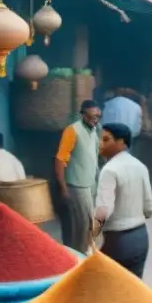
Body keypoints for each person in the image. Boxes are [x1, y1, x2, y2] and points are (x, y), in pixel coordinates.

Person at [92, 123, 152, 278]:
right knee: (134, 289)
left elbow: (103, 210)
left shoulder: (109, 170)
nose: (100, 144)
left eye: (106, 140)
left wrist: (92, 236)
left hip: (117, 241)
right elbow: (149, 207)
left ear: (121, 142)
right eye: (100, 139)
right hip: (140, 237)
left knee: (111, 290)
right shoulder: (140, 166)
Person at [54, 99, 101, 252]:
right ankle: (78, 255)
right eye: (92, 116)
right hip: (76, 186)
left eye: (98, 116)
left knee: (84, 224)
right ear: (82, 115)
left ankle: (80, 253)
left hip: (89, 184)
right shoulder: (72, 131)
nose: (95, 119)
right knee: (82, 224)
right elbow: (60, 160)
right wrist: (63, 188)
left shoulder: (94, 130)